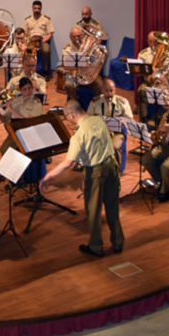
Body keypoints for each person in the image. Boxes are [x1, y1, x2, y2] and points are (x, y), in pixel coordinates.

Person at [41, 100, 124, 258]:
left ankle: (96, 246)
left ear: (71, 114)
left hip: (95, 172)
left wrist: (48, 175)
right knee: (113, 207)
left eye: (67, 116)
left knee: (93, 211)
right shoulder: (99, 119)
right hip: (112, 166)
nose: (68, 119)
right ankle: (118, 242)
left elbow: (68, 163)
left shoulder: (78, 135)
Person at [0, 76, 43, 162]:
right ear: (20, 90)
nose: (28, 91)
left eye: (29, 88)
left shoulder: (36, 103)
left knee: (7, 150)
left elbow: (28, 121)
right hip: (16, 131)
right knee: (3, 149)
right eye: (24, 89)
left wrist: (11, 109)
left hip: (29, 132)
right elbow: (5, 120)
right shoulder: (16, 101)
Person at [87, 78, 132, 169]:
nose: (109, 94)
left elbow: (130, 120)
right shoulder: (95, 102)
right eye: (106, 91)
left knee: (114, 147)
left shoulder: (123, 102)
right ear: (102, 90)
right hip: (100, 131)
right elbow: (88, 118)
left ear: (115, 90)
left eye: (111, 91)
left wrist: (121, 122)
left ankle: (116, 171)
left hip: (117, 132)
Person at [59, 27, 102, 100]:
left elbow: (99, 57)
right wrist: (82, 67)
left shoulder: (90, 46)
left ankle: (97, 105)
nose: (77, 38)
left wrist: (93, 47)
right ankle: (74, 106)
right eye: (74, 36)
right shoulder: (67, 49)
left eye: (78, 36)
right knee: (68, 85)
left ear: (82, 36)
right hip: (73, 75)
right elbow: (66, 66)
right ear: (70, 37)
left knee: (100, 85)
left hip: (89, 74)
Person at [23, 1, 54, 80]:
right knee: (25, 51)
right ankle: (28, 72)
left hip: (43, 42)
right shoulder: (28, 20)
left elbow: (50, 34)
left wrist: (42, 42)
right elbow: (24, 33)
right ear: (32, 8)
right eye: (35, 8)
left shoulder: (46, 20)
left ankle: (46, 71)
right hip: (31, 42)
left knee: (46, 50)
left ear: (41, 9)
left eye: (38, 8)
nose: (37, 10)